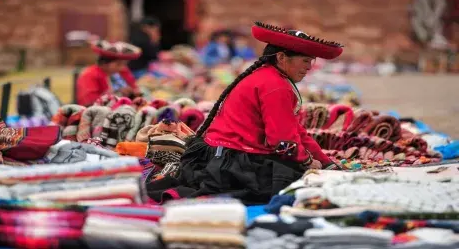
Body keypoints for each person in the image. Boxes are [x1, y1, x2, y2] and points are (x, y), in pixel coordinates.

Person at [147, 22, 344, 205]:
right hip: (232, 162)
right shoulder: (275, 85)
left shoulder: (267, 77)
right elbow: (282, 142)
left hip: (221, 155)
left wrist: (326, 162)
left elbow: (294, 130)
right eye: (304, 61)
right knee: (295, 183)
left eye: (311, 61)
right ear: (282, 57)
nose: (309, 67)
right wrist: (309, 162)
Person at [75, 39, 142, 106]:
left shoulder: (123, 71)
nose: (122, 67)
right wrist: (117, 93)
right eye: (118, 64)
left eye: (124, 64)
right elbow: (88, 102)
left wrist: (133, 93)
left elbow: (134, 88)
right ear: (104, 63)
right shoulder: (89, 75)